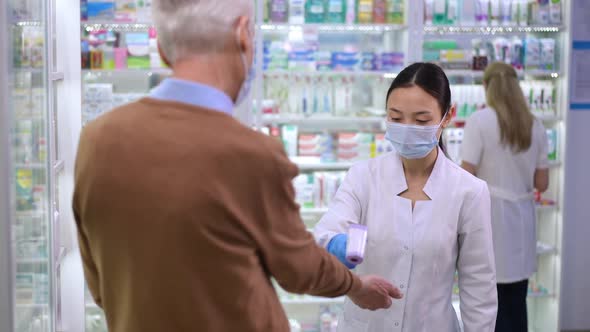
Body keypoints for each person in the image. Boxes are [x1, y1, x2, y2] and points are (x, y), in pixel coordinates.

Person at [72, 1, 402, 331]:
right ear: (243, 34)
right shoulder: (251, 154)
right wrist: (356, 287)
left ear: (160, 46)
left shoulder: (96, 140)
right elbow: (300, 271)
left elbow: (100, 284)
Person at [314, 62, 498, 332]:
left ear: (448, 116)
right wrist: (334, 244)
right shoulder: (363, 177)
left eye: (421, 120)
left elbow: (479, 288)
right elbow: (325, 233)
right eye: (396, 118)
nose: (407, 128)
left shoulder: (469, 191)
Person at [460, 62, 550, 332]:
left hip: (490, 217)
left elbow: (466, 175)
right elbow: (541, 183)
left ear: (486, 87)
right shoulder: (534, 125)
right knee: (516, 301)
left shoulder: (480, 121)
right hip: (521, 220)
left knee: (488, 301)